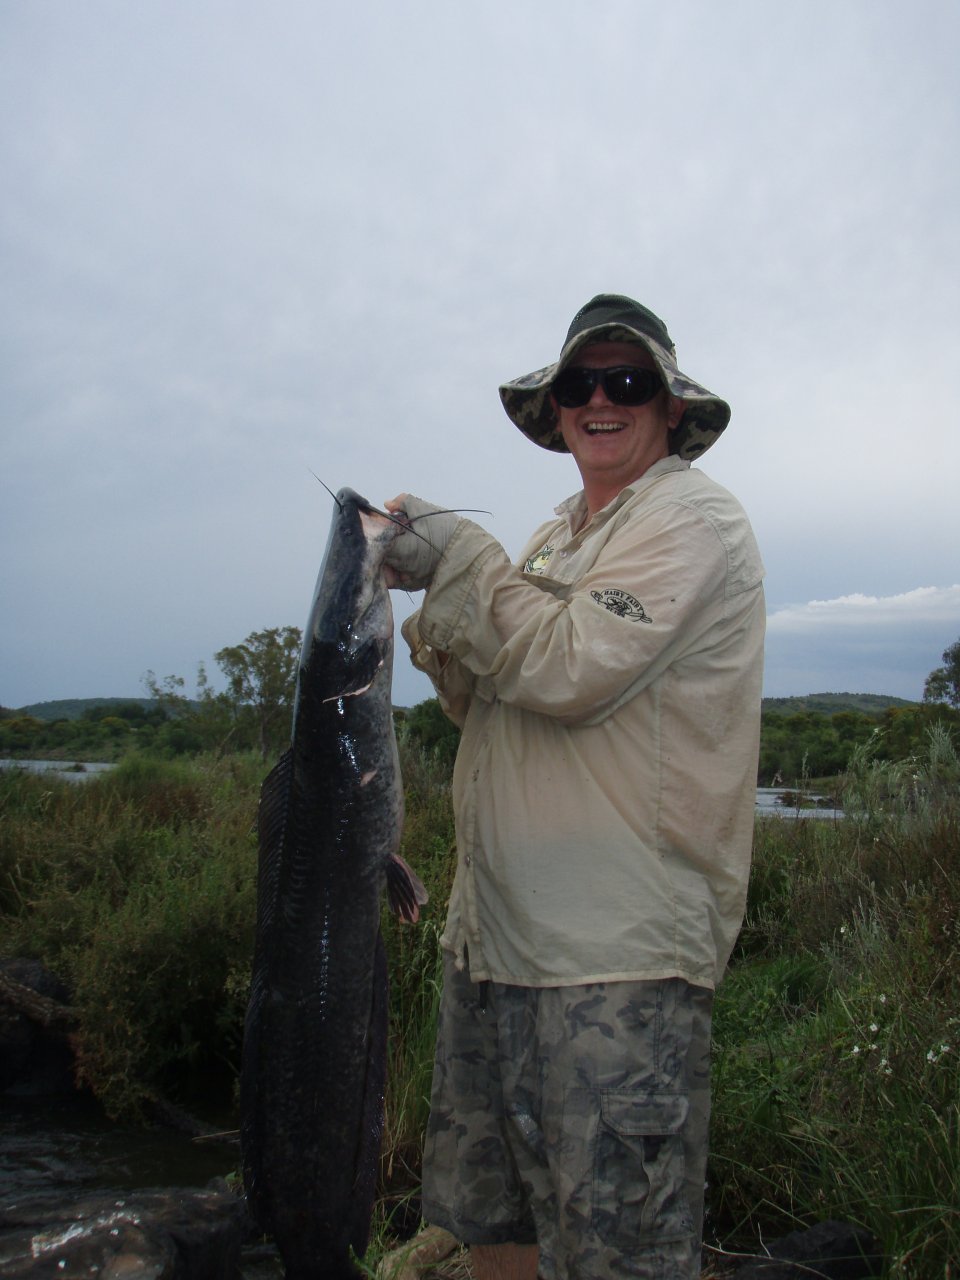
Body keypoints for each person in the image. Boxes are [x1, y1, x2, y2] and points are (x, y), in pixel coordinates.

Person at [383, 294, 765, 1280]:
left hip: (615, 956)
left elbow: (566, 667)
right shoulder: (555, 537)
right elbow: (492, 703)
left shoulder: (691, 517)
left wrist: (461, 559)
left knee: (618, 1250)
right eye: (580, 383)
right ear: (554, 408)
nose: (601, 398)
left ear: (670, 407)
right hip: (496, 940)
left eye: (628, 382)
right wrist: (445, 602)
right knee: (495, 1225)